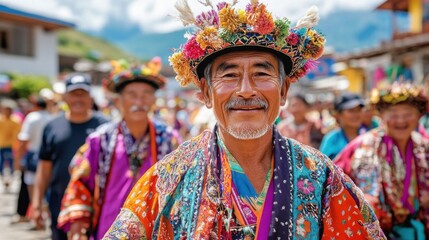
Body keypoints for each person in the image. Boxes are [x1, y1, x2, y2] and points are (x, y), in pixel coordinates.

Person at [103, 1, 385, 239]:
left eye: (262, 74)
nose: (247, 90)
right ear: (205, 92)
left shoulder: (322, 177)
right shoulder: (167, 179)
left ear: (284, 90)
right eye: (229, 75)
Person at [57, 58, 176, 239]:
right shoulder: (100, 140)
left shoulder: (169, 139)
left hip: (155, 229)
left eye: (146, 94)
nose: (139, 100)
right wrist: (79, 221)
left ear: (154, 99)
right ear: (118, 100)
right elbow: (79, 180)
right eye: (131, 94)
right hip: (108, 227)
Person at [335, 83, 429, 239]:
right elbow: (335, 182)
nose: (401, 120)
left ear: (419, 116)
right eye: (393, 114)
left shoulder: (425, 148)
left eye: (408, 114)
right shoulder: (361, 147)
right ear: (381, 116)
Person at [32, 74, 108, 240]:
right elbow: (44, 168)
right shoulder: (52, 127)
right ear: (65, 97)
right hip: (59, 202)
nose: (78, 99)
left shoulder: (104, 127)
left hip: (96, 204)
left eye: (83, 94)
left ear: (91, 98)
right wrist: (36, 203)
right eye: (74, 94)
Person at [15, 97, 52, 229]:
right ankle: (45, 215)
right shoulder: (50, 118)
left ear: (35, 105)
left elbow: (24, 139)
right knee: (46, 187)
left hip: (33, 155)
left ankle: (38, 214)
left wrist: (18, 160)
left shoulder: (32, 117)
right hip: (49, 156)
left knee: (32, 187)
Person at [319, 93, 364, 159]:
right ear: (338, 114)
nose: (356, 115)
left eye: (359, 110)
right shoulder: (332, 139)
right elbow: (321, 166)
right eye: (351, 111)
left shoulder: (368, 137)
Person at [0, 98, 21, 191]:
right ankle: (4, 180)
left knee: (10, 164)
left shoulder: (16, 121)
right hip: (1, 145)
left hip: (11, 146)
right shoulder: (1, 120)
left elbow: (17, 135)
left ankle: (9, 180)